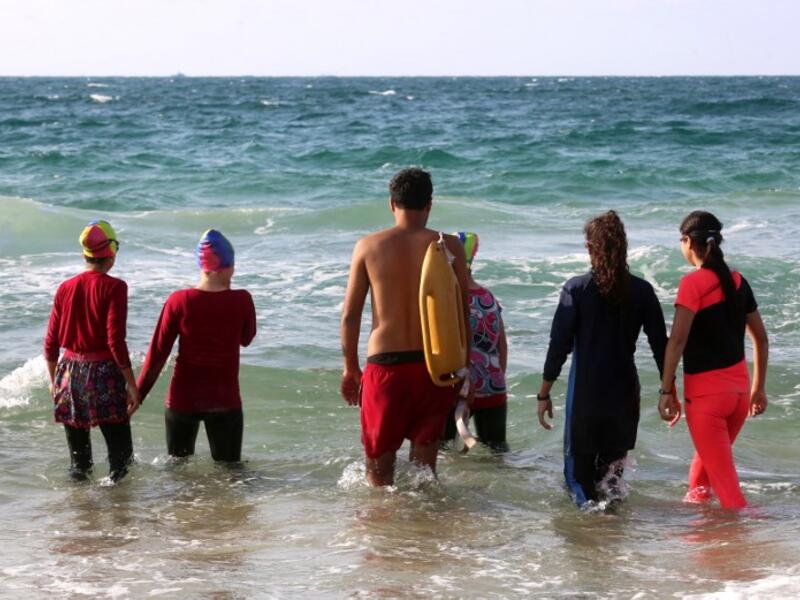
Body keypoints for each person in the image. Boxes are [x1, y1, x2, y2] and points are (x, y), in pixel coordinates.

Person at [340, 168, 470, 486]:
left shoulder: (368, 246)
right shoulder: (450, 246)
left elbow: (350, 316)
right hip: (434, 368)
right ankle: (419, 520)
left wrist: (350, 368)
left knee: (378, 473)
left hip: (386, 368)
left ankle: (384, 520)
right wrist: (465, 368)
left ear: (391, 203)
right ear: (429, 205)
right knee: (424, 475)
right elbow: (462, 313)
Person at [537, 211, 667, 508]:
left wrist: (544, 394)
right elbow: (661, 346)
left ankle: (592, 531)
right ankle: (613, 531)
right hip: (624, 398)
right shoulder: (642, 291)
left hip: (585, 399)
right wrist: (667, 390)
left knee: (578, 483)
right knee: (611, 483)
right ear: (624, 247)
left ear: (589, 248)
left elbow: (559, 346)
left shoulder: (576, 289)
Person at [657, 211, 768, 509]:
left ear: (687, 241)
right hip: (739, 396)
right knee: (703, 475)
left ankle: (749, 536)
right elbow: (761, 338)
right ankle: (704, 529)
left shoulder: (693, 284)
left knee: (730, 495)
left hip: (707, 400)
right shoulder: (737, 281)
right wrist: (758, 389)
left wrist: (666, 390)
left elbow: (676, 342)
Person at [136, 229, 256, 462]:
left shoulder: (178, 300)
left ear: (202, 266)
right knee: (230, 472)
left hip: (182, 401)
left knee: (177, 471)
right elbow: (247, 338)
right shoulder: (242, 300)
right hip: (224, 401)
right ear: (226, 267)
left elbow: (158, 353)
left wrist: (138, 395)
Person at [44, 219, 140, 482]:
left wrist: (54, 382)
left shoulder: (65, 287)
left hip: (68, 374)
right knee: (121, 460)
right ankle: (119, 506)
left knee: (79, 464)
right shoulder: (115, 287)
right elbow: (115, 341)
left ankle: (81, 506)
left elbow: (51, 342)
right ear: (111, 254)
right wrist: (132, 384)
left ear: (85, 255)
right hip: (104, 375)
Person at [442, 232, 509, 453]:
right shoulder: (488, 297)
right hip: (493, 387)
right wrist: (493, 380)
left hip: (456, 388)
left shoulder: (449, 299)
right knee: (497, 452)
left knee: (443, 452)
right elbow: (502, 346)